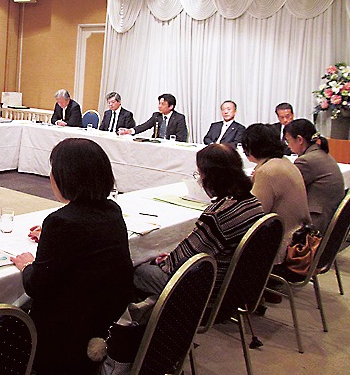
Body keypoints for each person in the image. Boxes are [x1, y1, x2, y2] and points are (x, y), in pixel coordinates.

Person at [10, 138, 133, 375]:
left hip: (65, 337)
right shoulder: (111, 209)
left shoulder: (61, 222)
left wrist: (27, 266)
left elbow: (37, 285)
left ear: (65, 176)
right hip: (102, 322)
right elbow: (88, 238)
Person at [133, 144, 264, 305]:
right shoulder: (254, 203)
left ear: (212, 176)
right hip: (240, 283)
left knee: (136, 270)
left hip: (208, 288)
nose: (200, 179)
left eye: (200, 173)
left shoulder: (218, 215)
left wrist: (161, 261)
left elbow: (183, 259)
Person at [242, 123, 310, 263]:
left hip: (283, 246)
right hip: (300, 236)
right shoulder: (284, 162)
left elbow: (254, 214)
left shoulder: (267, 171)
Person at [284, 119, 345, 234]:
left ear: (300, 140)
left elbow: (286, 189)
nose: (288, 146)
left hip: (316, 223)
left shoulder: (306, 161)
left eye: (288, 141)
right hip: (330, 217)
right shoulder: (322, 154)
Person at [120, 93, 188, 141]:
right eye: (159, 103)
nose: (159, 106)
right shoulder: (156, 116)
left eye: (163, 104)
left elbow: (181, 137)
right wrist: (130, 131)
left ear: (171, 106)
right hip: (157, 145)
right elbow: (144, 126)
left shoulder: (179, 118)